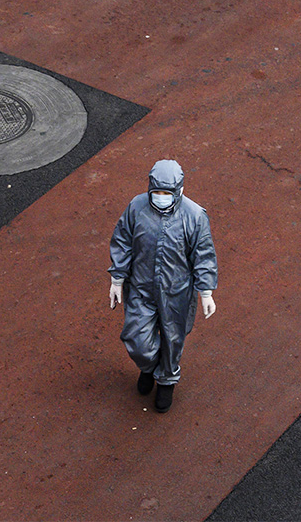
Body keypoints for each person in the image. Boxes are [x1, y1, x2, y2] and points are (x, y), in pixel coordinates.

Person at [108, 159, 217, 413]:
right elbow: (122, 240)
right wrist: (117, 278)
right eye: (156, 192)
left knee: (173, 340)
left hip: (177, 292)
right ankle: (148, 366)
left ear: (178, 191)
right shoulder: (137, 207)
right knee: (136, 338)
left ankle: (166, 380)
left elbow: (204, 254)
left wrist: (206, 292)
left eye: (166, 193)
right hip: (141, 288)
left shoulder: (194, 216)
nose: (160, 197)